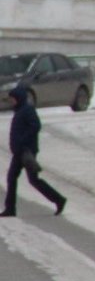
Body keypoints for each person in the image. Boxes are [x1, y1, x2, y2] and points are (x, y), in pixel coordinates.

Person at [3, 84, 66, 218]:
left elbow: (36, 126)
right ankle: (10, 209)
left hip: (27, 152)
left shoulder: (27, 110)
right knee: (13, 178)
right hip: (20, 151)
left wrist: (22, 141)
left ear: (19, 98)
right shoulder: (20, 110)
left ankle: (59, 199)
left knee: (32, 180)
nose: (11, 101)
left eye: (12, 99)